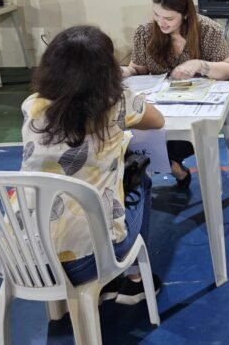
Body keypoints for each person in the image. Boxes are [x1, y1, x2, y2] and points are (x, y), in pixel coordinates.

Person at [21, 25, 165, 304]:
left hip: (25, 258)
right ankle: (134, 280)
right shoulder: (116, 104)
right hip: (87, 260)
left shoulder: (31, 105)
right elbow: (157, 121)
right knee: (140, 180)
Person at [123, 0, 229, 188]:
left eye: (169, 18)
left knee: (174, 138)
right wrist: (125, 71)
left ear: (185, 14)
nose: (161, 22)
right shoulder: (145, 32)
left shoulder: (208, 30)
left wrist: (199, 64)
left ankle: (171, 165)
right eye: (156, 15)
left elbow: (228, 70)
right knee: (131, 132)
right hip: (157, 106)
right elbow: (138, 68)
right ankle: (173, 166)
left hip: (194, 106)